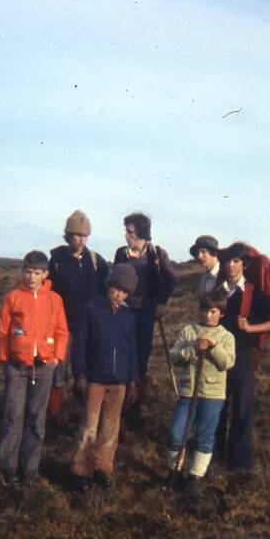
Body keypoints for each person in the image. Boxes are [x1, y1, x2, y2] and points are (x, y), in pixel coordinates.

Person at [0, 250, 69, 485]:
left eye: (37, 272)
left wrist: (57, 356)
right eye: (28, 271)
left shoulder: (55, 299)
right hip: (17, 366)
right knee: (13, 415)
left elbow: (61, 331)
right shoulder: (13, 297)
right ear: (22, 271)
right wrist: (5, 358)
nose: (31, 277)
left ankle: (30, 469)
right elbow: (3, 331)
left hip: (44, 366)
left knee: (36, 418)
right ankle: (9, 466)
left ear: (45, 274)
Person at [214, 243, 270, 475]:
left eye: (236, 261)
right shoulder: (218, 292)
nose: (231, 265)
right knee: (217, 407)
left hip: (243, 356)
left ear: (244, 265)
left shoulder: (254, 293)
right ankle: (213, 457)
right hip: (217, 357)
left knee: (242, 408)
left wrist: (252, 328)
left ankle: (240, 463)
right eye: (227, 261)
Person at [69, 262, 139, 491]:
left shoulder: (129, 316)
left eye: (124, 291)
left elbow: (132, 350)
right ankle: (81, 470)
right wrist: (80, 374)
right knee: (89, 426)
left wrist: (133, 380)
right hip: (95, 378)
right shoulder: (92, 308)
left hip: (119, 381)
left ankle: (102, 467)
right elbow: (79, 344)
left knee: (111, 427)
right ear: (108, 285)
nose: (119, 294)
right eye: (116, 288)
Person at [164, 289, 236, 496]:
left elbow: (227, 363)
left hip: (213, 394)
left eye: (213, 311)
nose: (208, 315)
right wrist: (194, 348)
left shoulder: (227, 336)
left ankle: (195, 477)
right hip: (188, 391)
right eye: (205, 311)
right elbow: (175, 357)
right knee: (176, 433)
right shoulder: (189, 331)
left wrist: (213, 347)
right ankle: (174, 472)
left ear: (221, 313)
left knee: (204, 437)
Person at [47, 209, 110, 429]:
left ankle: (82, 414)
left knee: (84, 371)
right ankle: (55, 417)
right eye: (76, 235)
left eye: (84, 236)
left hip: (89, 328)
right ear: (67, 236)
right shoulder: (55, 262)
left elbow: (106, 293)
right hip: (62, 327)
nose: (81, 240)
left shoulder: (97, 262)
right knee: (58, 372)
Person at [113, 212, 176, 422]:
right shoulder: (121, 253)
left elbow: (170, 279)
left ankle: (135, 409)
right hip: (122, 312)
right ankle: (118, 407)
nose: (127, 235)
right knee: (120, 356)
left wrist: (161, 302)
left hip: (145, 313)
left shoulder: (156, 254)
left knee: (141, 359)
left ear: (141, 232)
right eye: (126, 231)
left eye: (130, 232)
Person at [190, 235, 221, 301]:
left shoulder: (225, 275)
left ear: (214, 252)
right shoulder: (204, 277)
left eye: (203, 251)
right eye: (197, 252)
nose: (199, 256)